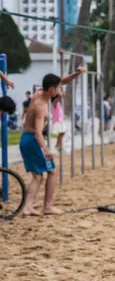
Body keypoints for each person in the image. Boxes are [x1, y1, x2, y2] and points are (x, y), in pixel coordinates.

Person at [19, 67, 86, 216]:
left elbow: (63, 80)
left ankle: (28, 206)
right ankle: (46, 206)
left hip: (26, 139)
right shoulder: (41, 106)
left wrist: (77, 74)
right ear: (51, 89)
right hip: (33, 140)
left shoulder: (39, 93)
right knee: (52, 172)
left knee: (38, 176)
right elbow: (37, 132)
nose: (59, 90)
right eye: (57, 88)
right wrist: (47, 150)